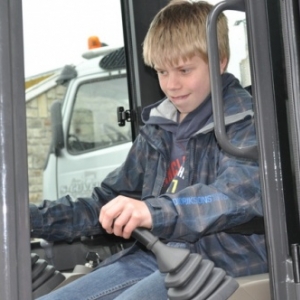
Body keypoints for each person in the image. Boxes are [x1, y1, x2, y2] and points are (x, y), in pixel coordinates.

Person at [31, 0, 268, 299]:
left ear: (220, 61)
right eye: (162, 71)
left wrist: (152, 211)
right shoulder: (159, 129)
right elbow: (105, 204)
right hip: (153, 257)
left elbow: (231, 196)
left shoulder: (246, 121)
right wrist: (30, 219)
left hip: (217, 262)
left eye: (184, 69)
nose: (172, 85)